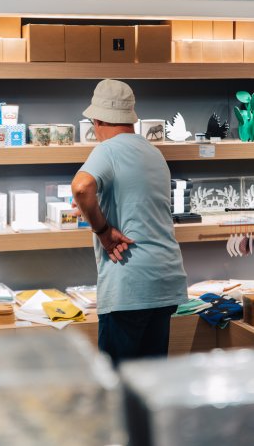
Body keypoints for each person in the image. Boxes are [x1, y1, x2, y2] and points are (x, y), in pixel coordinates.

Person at [71, 79, 187, 366]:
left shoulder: (107, 150)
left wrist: (103, 231)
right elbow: (133, 199)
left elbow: (82, 187)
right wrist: (92, 209)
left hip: (129, 286)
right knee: (149, 387)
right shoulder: (153, 153)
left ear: (97, 120)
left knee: (120, 390)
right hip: (164, 282)